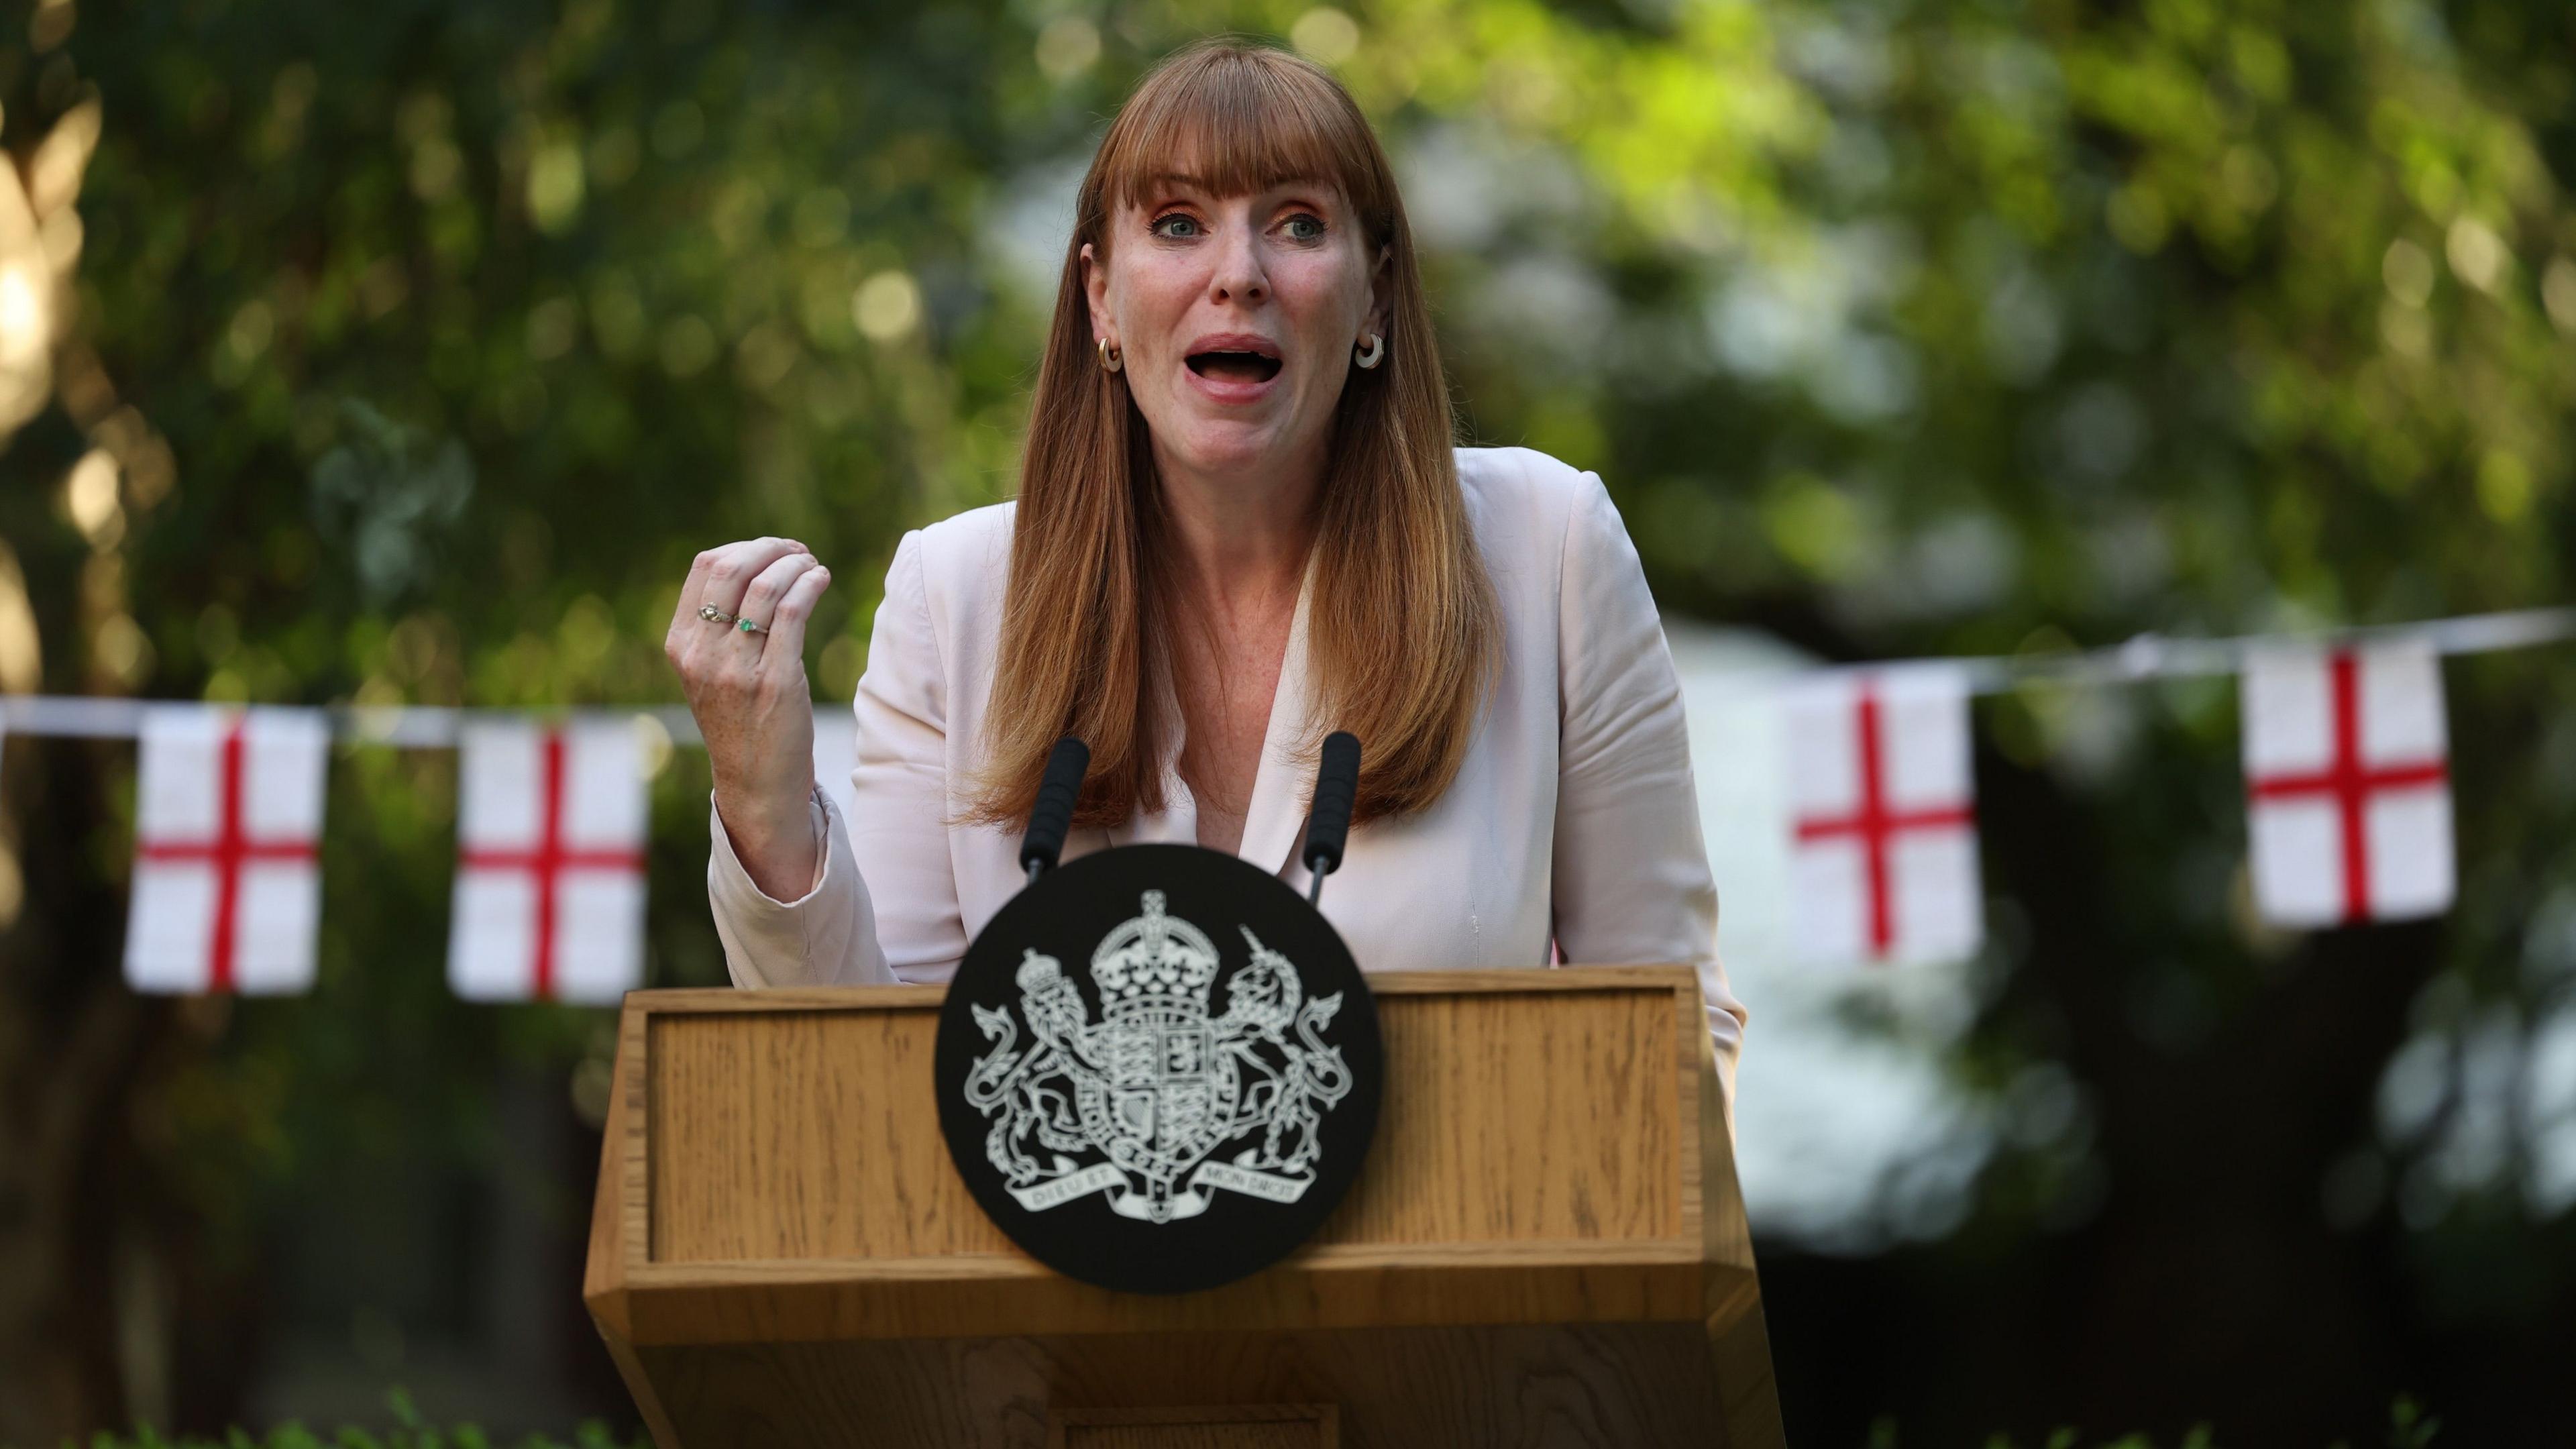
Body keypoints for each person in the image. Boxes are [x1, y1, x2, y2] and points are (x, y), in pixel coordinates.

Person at [663, 37, 1748, 1115]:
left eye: (1298, 225)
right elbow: (880, 1102)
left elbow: (1669, 1036)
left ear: (1374, 297)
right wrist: (764, 804)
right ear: (1100, 298)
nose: (1239, 275)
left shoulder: (1548, 547)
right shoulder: (952, 595)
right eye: (1179, 224)